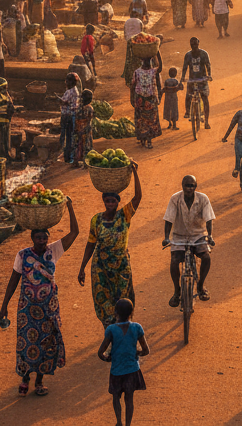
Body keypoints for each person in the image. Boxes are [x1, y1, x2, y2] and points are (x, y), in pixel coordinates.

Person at [0, 198, 80, 396]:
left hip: (49, 307)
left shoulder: (54, 251)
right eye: (39, 238)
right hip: (27, 308)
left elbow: (75, 233)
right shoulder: (22, 255)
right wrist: (4, 306)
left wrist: (69, 207)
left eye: (45, 238)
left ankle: (40, 381)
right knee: (27, 342)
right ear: (33, 239)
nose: (42, 241)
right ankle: (25, 378)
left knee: (47, 342)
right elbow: (13, 282)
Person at [78, 164, 142, 325]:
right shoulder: (96, 220)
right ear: (104, 201)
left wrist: (134, 172)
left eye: (113, 201)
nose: (110, 204)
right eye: (107, 201)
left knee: (124, 301)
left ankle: (125, 335)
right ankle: (110, 336)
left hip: (121, 265)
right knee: (104, 303)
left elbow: (138, 197)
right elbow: (90, 244)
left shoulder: (124, 215)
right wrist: (82, 267)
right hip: (101, 267)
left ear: (118, 202)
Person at [163, 176, 215, 304]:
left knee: (206, 257)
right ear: (182, 186)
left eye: (192, 186)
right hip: (179, 236)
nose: (189, 188)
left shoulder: (203, 199)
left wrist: (210, 235)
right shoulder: (175, 199)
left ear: (195, 186)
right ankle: (176, 291)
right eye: (187, 185)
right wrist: (166, 237)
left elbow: (209, 220)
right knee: (174, 261)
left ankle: (201, 286)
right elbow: (168, 219)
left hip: (198, 235)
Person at [98, 297, 149, 426]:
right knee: (129, 399)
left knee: (116, 397)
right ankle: (128, 424)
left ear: (115, 313)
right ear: (132, 313)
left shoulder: (111, 330)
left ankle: (119, 422)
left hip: (117, 370)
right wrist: (136, 353)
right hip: (132, 370)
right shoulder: (137, 328)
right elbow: (146, 350)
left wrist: (107, 357)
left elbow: (100, 352)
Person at [180, 37, 212, 128]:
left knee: (205, 98)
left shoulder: (204, 54)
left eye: (195, 44)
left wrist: (209, 75)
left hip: (202, 78)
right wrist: (182, 77)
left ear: (198, 44)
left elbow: (208, 65)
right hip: (192, 79)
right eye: (192, 44)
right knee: (188, 96)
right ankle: (187, 112)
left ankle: (206, 121)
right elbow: (185, 67)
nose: (194, 46)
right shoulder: (188, 55)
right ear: (190, 45)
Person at [130, 57, 162, 149]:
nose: (148, 63)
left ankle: (148, 140)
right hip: (141, 99)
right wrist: (131, 98)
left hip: (149, 99)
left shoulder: (153, 71)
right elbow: (133, 86)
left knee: (148, 121)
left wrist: (157, 51)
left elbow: (161, 67)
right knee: (144, 121)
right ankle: (144, 139)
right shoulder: (137, 72)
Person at [60, 73, 81, 165]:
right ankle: (68, 156)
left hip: (67, 116)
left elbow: (65, 102)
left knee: (67, 136)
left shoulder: (70, 92)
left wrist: (59, 101)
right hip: (71, 115)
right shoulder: (75, 90)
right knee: (69, 136)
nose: (65, 83)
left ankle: (67, 156)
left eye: (67, 81)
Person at [0, 78, 15, 159]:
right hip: (0, 121)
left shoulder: (5, 95)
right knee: (3, 139)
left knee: (6, 138)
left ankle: (5, 153)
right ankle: (3, 155)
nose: (6, 89)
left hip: (5, 120)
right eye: (4, 87)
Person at [73, 89, 95, 164]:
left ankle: (76, 161)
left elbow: (75, 118)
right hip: (86, 129)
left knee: (78, 145)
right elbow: (89, 119)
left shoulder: (78, 108)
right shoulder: (89, 108)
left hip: (78, 128)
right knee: (87, 145)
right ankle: (86, 162)